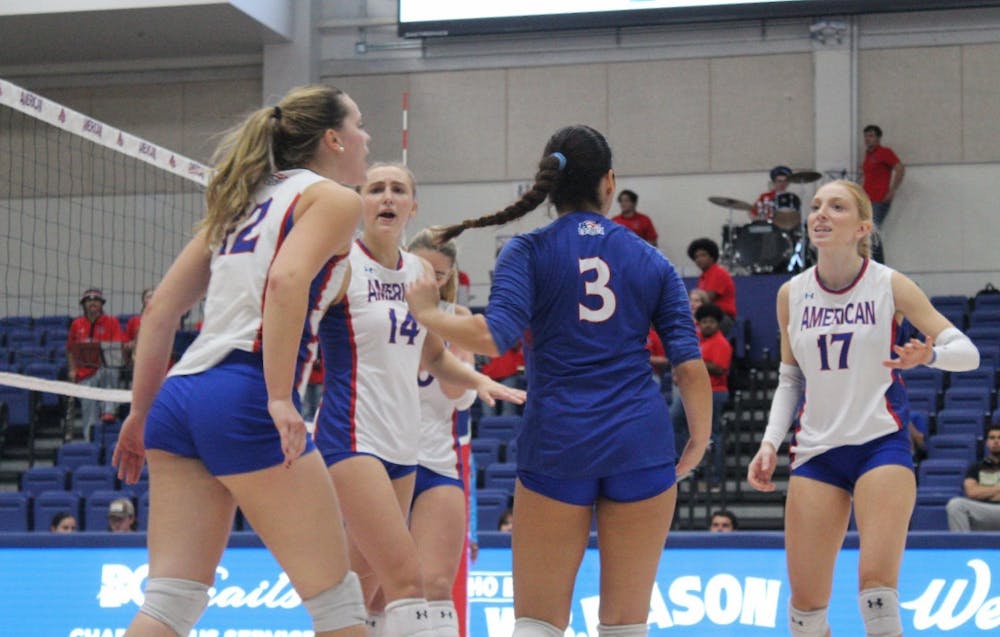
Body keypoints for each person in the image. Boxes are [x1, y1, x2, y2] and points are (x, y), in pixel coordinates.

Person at [405, 124, 712, 637]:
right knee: (626, 625)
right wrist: (699, 439)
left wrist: (425, 311)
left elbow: (491, 336)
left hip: (559, 440)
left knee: (539, 623)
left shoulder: (526, 251)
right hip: (641, 441)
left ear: (547, 185)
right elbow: (688, 367)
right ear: (609, 182)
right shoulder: (652, 259)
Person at [111, 84, 373, 637]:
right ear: (333, 138)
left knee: (169, 603)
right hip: (245, 390)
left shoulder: (238, 199)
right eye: (359, 124)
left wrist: (138, 414)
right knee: (338, 608)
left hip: (179, 399)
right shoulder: (335, 199)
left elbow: (158, 311)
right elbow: (286, 280)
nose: (366, 137)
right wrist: (280, 396)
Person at [747, 179, 979, 637]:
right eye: (816, 207)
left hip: (880, 446)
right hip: (816, 453)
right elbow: (791, 378)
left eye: (836, 207)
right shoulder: (790, 294)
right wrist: (770, 442)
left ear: (862, 228)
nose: (821, 214)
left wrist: (929, 355)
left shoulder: (888, 285)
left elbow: (967, 352)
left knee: (877, 597)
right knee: (805, 614)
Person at [312, 163, 525, 637]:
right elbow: (293, 317)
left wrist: (479, 381)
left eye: (398, 189)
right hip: (352, 434)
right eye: (376, 189)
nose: (387, 197)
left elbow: (432, 355)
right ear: (361, 202)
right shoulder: (341, 263)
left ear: (413, 206)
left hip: (403, 444)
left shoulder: (418, 274)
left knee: (357, 594)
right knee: (407, 581)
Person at [408, 228, 480, 637]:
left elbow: (458, 394)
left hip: (434, 461)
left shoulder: (457, 319)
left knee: (435, 585)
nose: (429, 278)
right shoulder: (375, 311)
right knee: (379, 588)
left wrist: (435, 323)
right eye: (421, 268)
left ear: (449, 276)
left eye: (439, 273)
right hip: (375, 459)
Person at [671, 303, 731, 491]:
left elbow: (720, 368)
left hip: (714, 391)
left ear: (718, 324)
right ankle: (686, 464)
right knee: (674, 421)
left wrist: (694, 365)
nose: (707, 325)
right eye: (704, 321)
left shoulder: (721, 343)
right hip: (692, 391)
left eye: (711, 322)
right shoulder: (698, 340)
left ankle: (715, 478)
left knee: (712, 434)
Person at [66, 288, 125, 441]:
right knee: (88, 406)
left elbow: (117, 348)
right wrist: (72, 369)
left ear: (101, 304)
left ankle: (109, 410)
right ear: (84, 304)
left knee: (110, 370)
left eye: (96, 300)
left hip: (105, 369)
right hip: (85, 372)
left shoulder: (112, 322)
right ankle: (89, 439)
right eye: (89, 300)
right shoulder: (76, 324)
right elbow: (70, 349)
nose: (92, 303)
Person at [861, 125, 904, 264]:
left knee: (872, 232)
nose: (868, 139)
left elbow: (899, 167)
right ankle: (872, 265)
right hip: (868, 200)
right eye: (866, 136)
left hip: (879, 199)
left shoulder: (885, 152)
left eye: (871, 136)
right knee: (869, 232)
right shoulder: (868, 155)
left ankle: (878, 266)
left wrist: (893, 190)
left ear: (878, 138)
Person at [946, 423, 1000, 532]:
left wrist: (984, 492)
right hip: (984, 511)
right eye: (992, 438)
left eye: (999, 438)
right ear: (987, 443)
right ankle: (963, 547)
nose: (996, 441)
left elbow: (978, 492)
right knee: (955, 505)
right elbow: (972, 492)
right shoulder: (976, 467)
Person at [686, 238, 736, 335]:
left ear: (712, 257)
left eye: (703, 255)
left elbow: (706, 299)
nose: (699, 259)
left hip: (722, 318)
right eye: (696, 257)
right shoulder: (703, 277)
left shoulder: (718, 273)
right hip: (707, 316)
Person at [480, 342, 525, 416]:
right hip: (489, 374)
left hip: (508, 372)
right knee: (488, 409)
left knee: (508, 407)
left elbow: (518, 343)